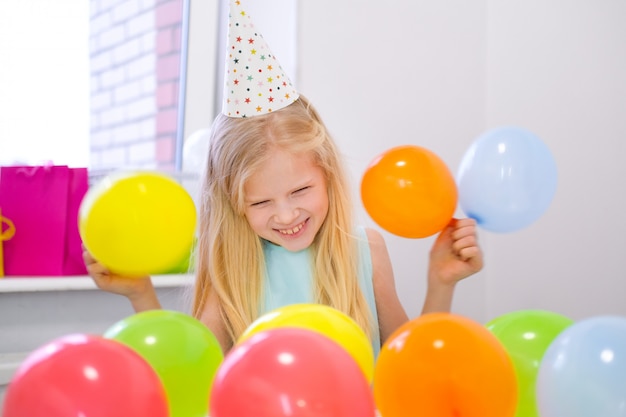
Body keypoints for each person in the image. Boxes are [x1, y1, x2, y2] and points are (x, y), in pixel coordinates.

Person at [83, 0, 483, 357]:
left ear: (326, 174)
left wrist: (441, 282)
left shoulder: (365, 251)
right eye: (261, 202)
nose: (287, 214)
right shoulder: (232, 268)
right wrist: (141, 293)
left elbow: (412, 366)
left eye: (301, 190)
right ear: (233, 203)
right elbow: (190, 372)